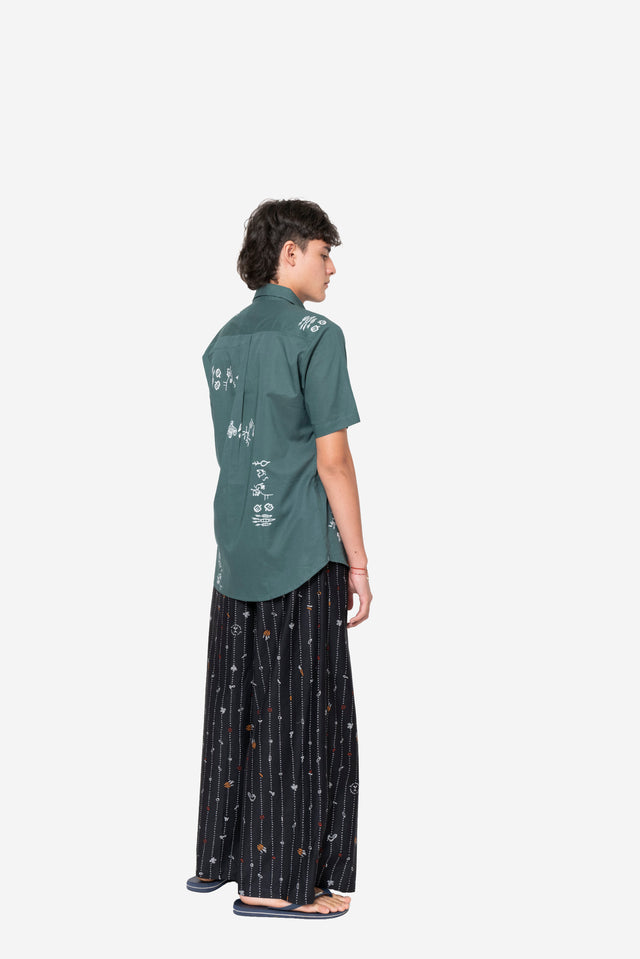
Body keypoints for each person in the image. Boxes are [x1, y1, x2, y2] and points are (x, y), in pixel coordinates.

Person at [185, 198, 372, 919]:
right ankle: (277, 886)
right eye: (325, 252)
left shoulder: (222, 341)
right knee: (302, 711)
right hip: (299, 547)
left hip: (235, 552)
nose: (333, 269)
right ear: (290, 252)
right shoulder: (316, 335)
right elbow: (334, 459)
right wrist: (359, 561)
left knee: (239, 705)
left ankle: (225, 861)